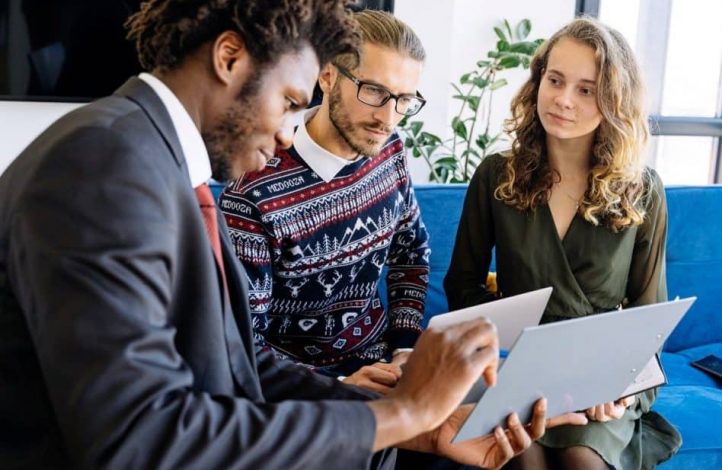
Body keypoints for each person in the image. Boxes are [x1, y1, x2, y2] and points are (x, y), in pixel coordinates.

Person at [0, 1, 582, 468]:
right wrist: (402, 414)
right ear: (230, 56)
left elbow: (238, 364)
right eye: (289, 101)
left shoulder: (149, 157)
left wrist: (417, 425)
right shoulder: (105, 165)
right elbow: (140, 438)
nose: (287, 134)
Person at [444, 17, 683, 470]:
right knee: (523, 456)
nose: (563, 100)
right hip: (523, 373)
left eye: (587, 89)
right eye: (554, 80)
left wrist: (619, 386)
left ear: (614, 100)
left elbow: (649, 317)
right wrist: (512, 356)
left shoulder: (643, 188)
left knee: (581, 458)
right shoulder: (497, 175)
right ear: (538, 81)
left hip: (602, 379)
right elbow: (463, 287)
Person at [221, 10, 430, 393]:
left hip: (386, 371)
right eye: (374, 92)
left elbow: (411, 253)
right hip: (306, 395)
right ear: (328, 76)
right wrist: (339, 384)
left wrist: (405, 348)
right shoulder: (253, 194)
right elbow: (242, 343)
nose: (388, 117)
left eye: (403, 100)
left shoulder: (390, 150)